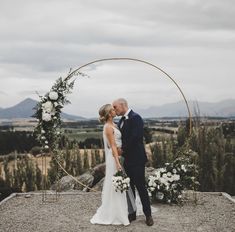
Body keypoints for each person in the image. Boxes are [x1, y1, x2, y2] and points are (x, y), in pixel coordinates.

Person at [112, 98, 154, 226]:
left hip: (136, 159)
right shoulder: (121, 120)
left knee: (141, 187)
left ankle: (148, 215)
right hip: (127, 160)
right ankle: (132, 213)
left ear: (123, 105)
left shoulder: (136, 118)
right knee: (129, 188)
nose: (114, 110)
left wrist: (122, 150)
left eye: (115, 107)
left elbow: (136, 137)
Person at [90, 104, 130, 226]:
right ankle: (115, 213)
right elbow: (112, 146)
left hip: (119, 156)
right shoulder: (108, 127)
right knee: (115, 183)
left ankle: (122, 209)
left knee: (119, 183)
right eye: (112, 109)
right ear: (108, 113)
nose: (114, 110)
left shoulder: (115, 125)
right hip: (114, 159)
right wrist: (117, 163)